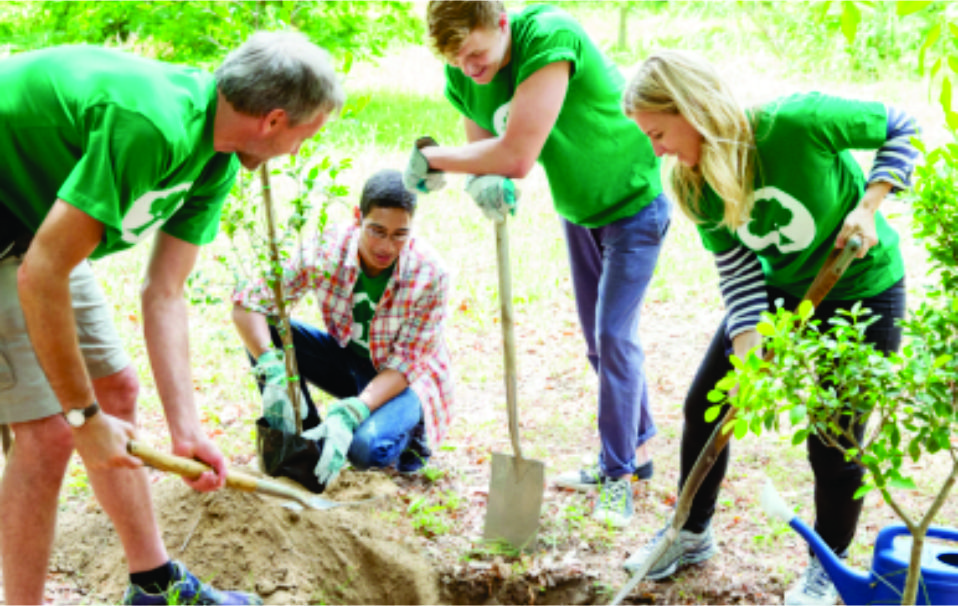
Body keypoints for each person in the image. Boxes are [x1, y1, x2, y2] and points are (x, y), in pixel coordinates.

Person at [0, 31, 344, 605]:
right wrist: (83, 417)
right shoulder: (153, 124)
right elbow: (42, 276)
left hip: (38, 230)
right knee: (53, 430)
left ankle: (154, 587)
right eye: (305, 137)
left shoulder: (217, 158)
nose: (299, 152)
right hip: (18, 242)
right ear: (275, 120)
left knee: (117, 390)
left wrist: (187, 433)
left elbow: (164, 291)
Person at [620, 49, 919, 605]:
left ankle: (827, 567)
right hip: (781, 292)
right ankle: (690, 534)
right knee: (707, 401)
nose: (655, 149)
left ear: (691, 108)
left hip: (862, 289)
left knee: (833, 440)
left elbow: (901, 125)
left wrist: (870, 206)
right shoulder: (692, 183)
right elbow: (735, 268)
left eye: (658, 133)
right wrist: (749, 340)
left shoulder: (796, 124)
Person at [405, 0, 671, 529]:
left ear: (501, 21)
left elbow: (517, 156)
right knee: (600, 341)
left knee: (615, 338)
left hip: (634, 203)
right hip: (579, 210)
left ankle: (616, 476)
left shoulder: (550, 36)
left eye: (476, 53)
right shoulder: (464, 74)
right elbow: (485, 151)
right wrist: (483, 183)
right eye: (456, 59)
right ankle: (637, 451)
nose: (468, 68)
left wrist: (435, 160)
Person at [231, 169, 453, 487]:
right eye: (376, 230)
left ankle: (410, 438)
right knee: (268, 329)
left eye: (399, 234)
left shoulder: (431, 274)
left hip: (405, 381)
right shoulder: (325, 249)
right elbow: (248, 301)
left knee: (364, 449)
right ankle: (307, 441)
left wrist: (353, 412)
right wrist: (270, 363)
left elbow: (406, 364)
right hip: (349, 360)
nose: (386, 246)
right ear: (356, 217)